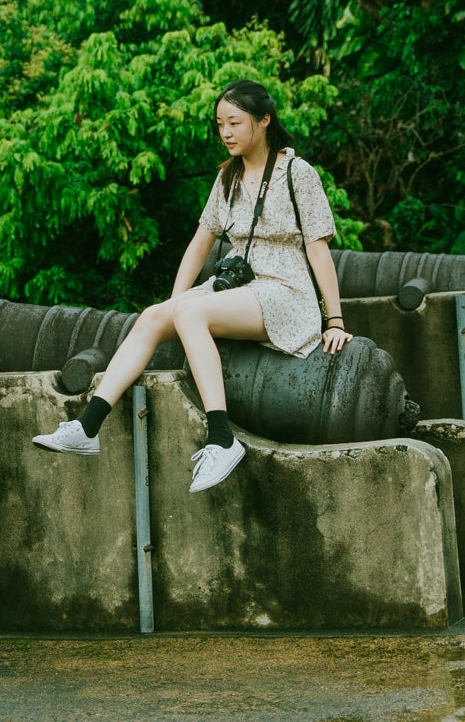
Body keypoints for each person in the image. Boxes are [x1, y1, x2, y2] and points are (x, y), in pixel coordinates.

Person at [30, 80, 350, 492]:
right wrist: (175, 302)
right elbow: (199, 245)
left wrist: (335, 320)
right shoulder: (228, 178)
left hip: (286, 291)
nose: (226, 133)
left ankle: (222, 438)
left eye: (234, 122)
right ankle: (87, 427)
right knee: (153, 316)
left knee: (188, 311)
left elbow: (319, 250)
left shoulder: (296, 172)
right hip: (240, 284)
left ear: (264, 120)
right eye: (220, 124)